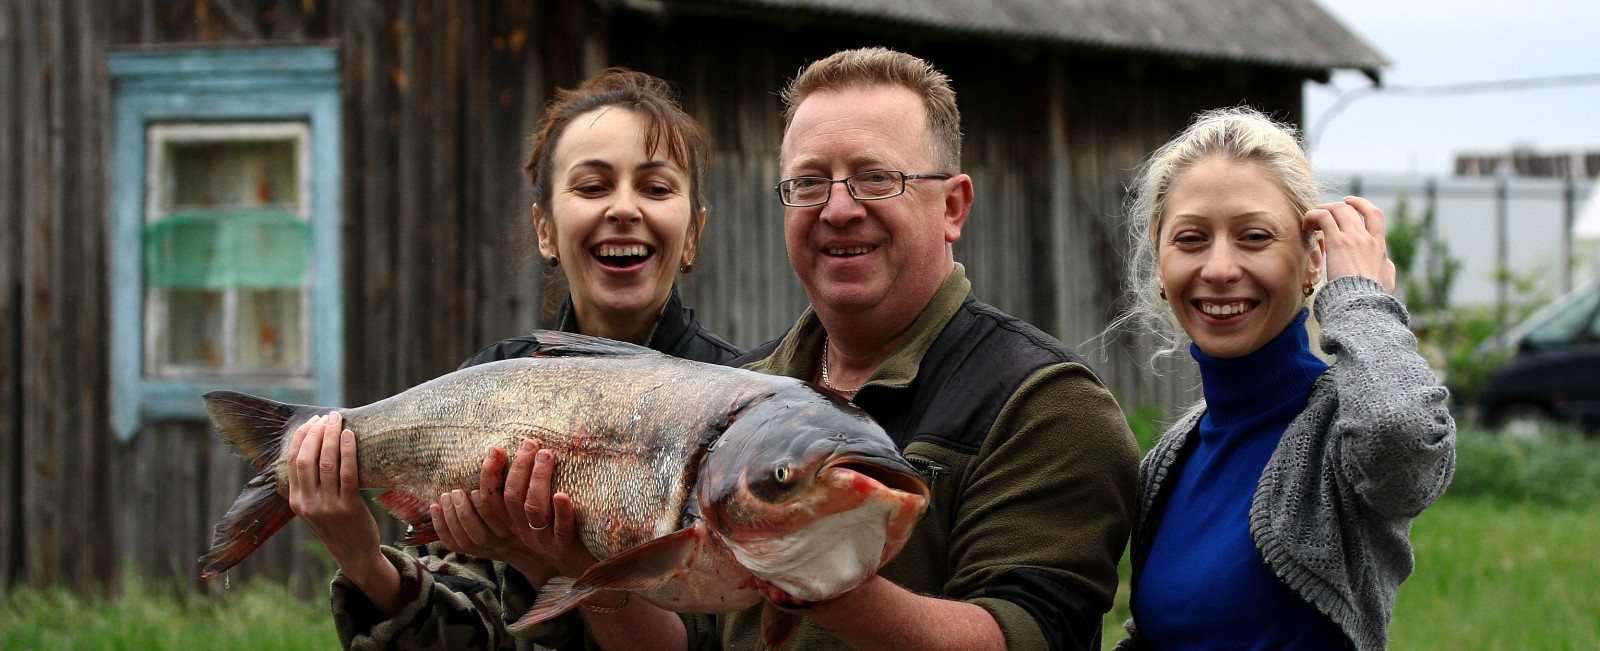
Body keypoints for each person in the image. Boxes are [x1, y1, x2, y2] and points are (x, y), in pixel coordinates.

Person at [530, 47, 1141, 651]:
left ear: (952, 207)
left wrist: (827, 584)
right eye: (810, 181)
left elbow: (1027, 634)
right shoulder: (742, 394)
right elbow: (691, 638)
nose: (839, 209)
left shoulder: (1047, 408)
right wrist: (590, 574)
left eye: (877, 178)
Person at [284, 68, 740, 650]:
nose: (624, 208)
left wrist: (546, 562)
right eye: (593, 186)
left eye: (655, 188)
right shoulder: (481, 392)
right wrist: (362, 558)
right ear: (545, 228)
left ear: (694, 233)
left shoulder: (742, 407)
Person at [1112, 108, 1456, 651]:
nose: (1220, 268)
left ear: (1312, 261)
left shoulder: (1339, 433)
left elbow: (1404, 440)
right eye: (1191, 239)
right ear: (1160, 264)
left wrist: (1362, 298)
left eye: (1254, 236)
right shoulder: (1168, 462)